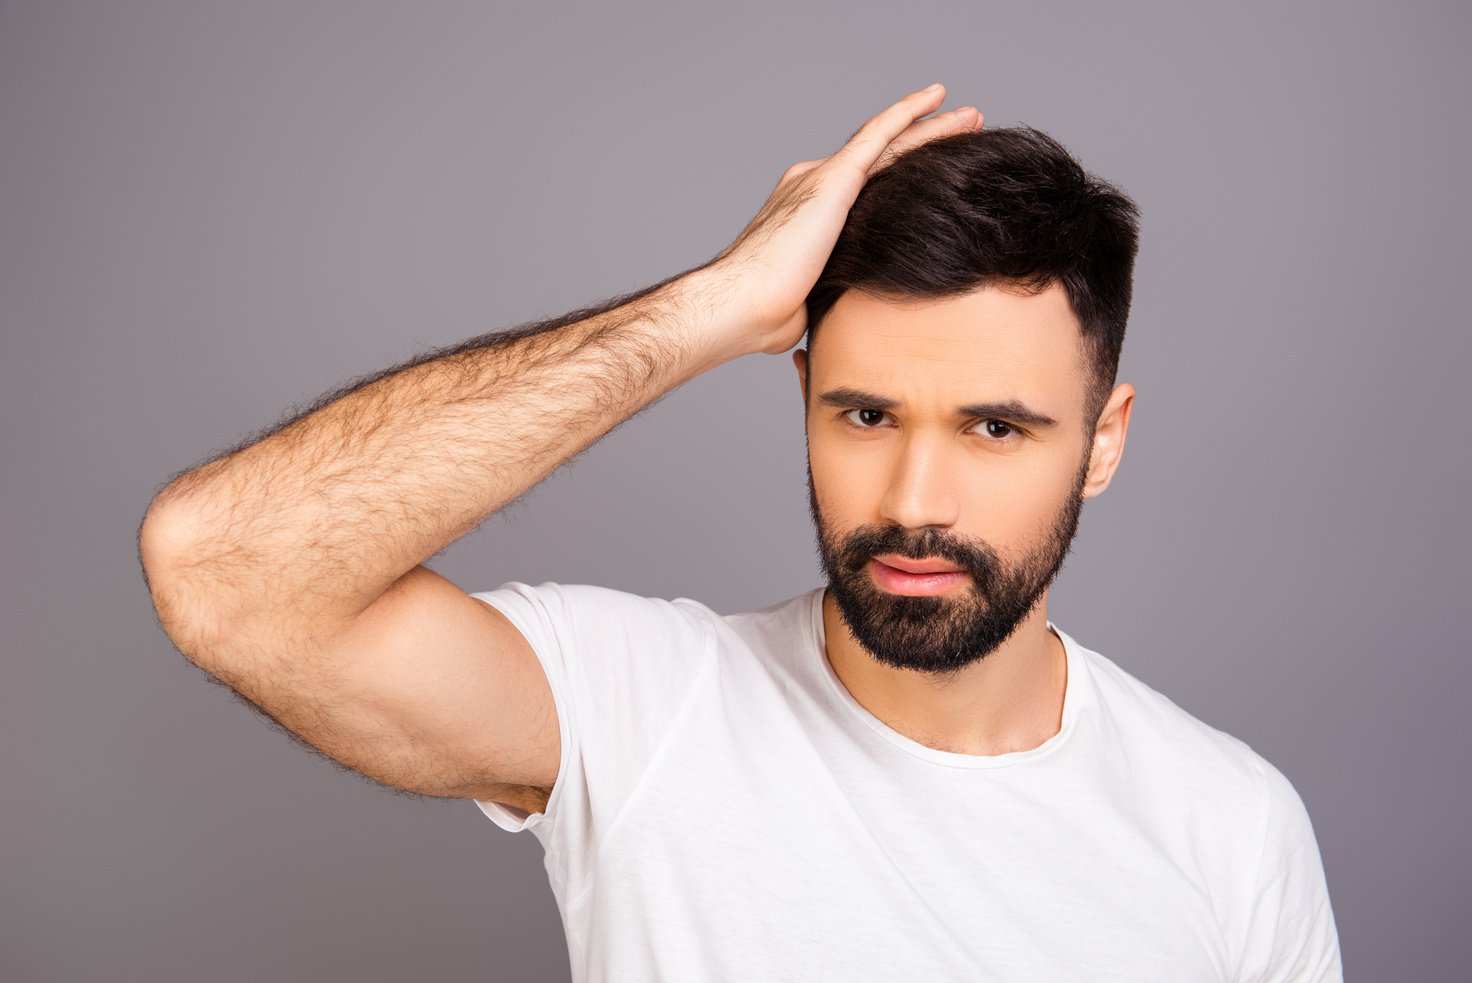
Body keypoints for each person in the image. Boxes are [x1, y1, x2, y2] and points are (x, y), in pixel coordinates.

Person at [138, 83, 1342, 981]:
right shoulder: (640, 709)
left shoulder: (1227, 827)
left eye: (993, 428)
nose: (915, 496)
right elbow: (219, 566)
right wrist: (707, 307)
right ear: (803, 398)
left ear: (1102, 439)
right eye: (863, 412)